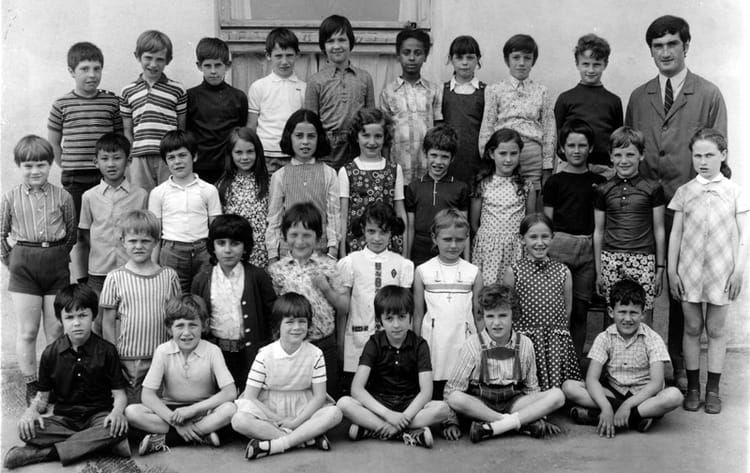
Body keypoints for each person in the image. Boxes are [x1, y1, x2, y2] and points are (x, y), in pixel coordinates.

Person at [625, 14, 728, 390]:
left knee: (684, 289)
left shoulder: (708, 94)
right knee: (643, 282)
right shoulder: (639, 96)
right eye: (658, 46)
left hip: (692, 209)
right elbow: (629, 151)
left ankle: (681, 365)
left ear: (686, 46)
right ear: (651, 51)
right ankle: (637, 363)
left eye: (672, 44)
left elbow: (719, 159)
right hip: (646, 208)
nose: (665, 52)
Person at [3, 284, 129, 470]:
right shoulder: (50, 353)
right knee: (28, 430)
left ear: (93, 315)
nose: (76, 323)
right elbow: (43, 396)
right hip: (65, 419)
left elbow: (119, 394)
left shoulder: (107, 351)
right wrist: (31, 411)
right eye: (69, 317)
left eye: (82, 315)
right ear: (60, 320)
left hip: (98, 417)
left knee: (116, 427)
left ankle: (44, 454)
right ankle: (102, 445)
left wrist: (117, 412)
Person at [667, 129, 748, 414]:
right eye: (698, 155)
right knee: (691, 327)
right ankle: (693, 387)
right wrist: (672, 271)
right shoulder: (684, 192)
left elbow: (745, 235)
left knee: (715, 329)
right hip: (689, 270)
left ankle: (713, 389)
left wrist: (738, 272)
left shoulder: (735, 192)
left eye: (710, 155)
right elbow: (676, 234)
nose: (703, 161)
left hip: (721, 270)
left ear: (723, 155)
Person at [1, 135, 76, 404]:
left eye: (41, 165)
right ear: (19, 166)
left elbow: (71, 235)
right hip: (24, 266)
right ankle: (32, 383)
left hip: (56, 264)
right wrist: (13, 261)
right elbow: (0, 236)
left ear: (50, 164)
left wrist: (56, 255)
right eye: (28, 165)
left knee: (55, 330)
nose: (35, 171)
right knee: (28, 331)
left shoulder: (63, 196)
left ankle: (53, 382)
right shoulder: (9, 198)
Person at [562, 279, 683, 437]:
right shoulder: (604, 338)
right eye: (622, 312)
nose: (627, 318)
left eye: (633, 313)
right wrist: (605, 406)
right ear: (611, 312)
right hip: (613, 392)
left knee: (674, 396)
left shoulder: (653, 339)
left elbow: (656, 383)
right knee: (569, 387)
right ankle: (637, 418)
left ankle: (601, 416)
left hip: (644, 396)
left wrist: (628, 405)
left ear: (643, 314)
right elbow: (592, 379)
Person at [444, 284, 564, 443]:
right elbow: (452, 390)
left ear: (513, 315)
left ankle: (492, 427)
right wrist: (452, 422)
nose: (496, 323)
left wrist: (540, 414)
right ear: (483, 316)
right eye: (490, 316)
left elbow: (531, 388)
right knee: (455, 398)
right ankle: (514, 423)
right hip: (481, 405)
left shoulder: (525, 344)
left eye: (502, 315)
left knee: (557, 395)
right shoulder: (472, 344)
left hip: (514, 402)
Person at [231, 293, 343, 460]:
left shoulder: (315, 354)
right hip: (269, 409)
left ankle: (278, 444)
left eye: (302, 321)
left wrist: (296, 422)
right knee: (239, 420)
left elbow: (319, 397)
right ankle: (306, 438)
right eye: (289, 322)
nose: (296, 327)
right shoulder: (265, 355)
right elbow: (250, 396)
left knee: (335, 413)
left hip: (303, 409)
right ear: (278, 325)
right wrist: (277, 419)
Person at [337, 286, 450, 448]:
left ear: (410, 316)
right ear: (379, 320)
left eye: (402, 317)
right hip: (380, 404)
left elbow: (426, 392)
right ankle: (408, 432)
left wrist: (404, 417)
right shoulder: (374, 343)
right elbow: (357, 389)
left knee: (443, 409)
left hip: (410, 405)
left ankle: (374, 429)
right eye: (389, 318)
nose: (396, 325)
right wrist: (388, 414)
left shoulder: (420, 345)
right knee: (344, 403)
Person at [126, 294, 237, 456]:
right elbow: (147, 395)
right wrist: (175, 422)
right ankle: (202, 435)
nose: (186, 332)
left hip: (203, 411)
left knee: (230, 409)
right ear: (169, 328)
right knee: (132, 412)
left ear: (204, 325)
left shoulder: (212, 351)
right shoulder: (163, 351)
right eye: (180, 326)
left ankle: (167, 440)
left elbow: (230, 392)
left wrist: (193, 410)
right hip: (171, 412)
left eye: (193, 325)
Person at [48, 42, 123, 280]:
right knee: (79, 232)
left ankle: (109, 278)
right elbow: (53, 144)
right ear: (72, 71)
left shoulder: (111, 103)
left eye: (97, 68)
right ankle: (82, 281)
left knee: (106, 230)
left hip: (106, 178)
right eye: (85, 69)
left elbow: (119, 139)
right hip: (75, 179)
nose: (92, 75)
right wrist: (68, 166)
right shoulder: (61, 104)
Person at [267, 203, 349, 398]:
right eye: (294, 235)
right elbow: (273, 312)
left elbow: (345, 307)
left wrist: (326, 289)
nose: (300, 241)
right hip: (290, 346)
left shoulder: (329, 267)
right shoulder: (277, 270)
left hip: (323, 344)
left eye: (307, 235)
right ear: (284, 236)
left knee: (328, 397)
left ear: (318, 237)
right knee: (295, 397)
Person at [100, 209, 181, 403]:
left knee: (159, 405)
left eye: (145, 241)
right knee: (133, 407)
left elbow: (176, 319)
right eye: (133, 241)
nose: (138, 246)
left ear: (156, 242)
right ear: (123, 242)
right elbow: (107, 323)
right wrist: (114, 358)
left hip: (161, 357)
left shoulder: (169, 276)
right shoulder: (115, 278)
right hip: (129, 360)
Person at [191, 214, 277, 392]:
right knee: (220, 399)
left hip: (250, 354)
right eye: (221, 243)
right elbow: (195, 318)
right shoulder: (202, 279)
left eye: (235, 243)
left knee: (248, 399)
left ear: (245, 247)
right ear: (212, 246)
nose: (228, 250)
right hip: (215, 354)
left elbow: (272, 316)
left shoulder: (257, 276)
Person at [542, 119, 606, 357]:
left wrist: (598, 267)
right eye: (571, 145)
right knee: (557, 310)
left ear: (591, 148)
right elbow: (547, 223)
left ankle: (575, 364)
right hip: (560, 247)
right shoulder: (555, 182)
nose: (576, 151)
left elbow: (600, 226)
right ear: (562, 148)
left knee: (580, 310)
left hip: (587, 249)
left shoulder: (599, 183)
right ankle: (553, 361)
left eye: (582, 145)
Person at [593, 127, 666, 323]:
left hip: (643, 258)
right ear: (611, 156)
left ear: (641, 155)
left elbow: (659, 229)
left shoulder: (653, 189)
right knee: (614, 316)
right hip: (611, 258)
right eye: (618, 155)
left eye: (630, 154)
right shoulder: (603, 190)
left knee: (643, 316)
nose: (623, 160)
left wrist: (659, 268)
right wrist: (599, 271)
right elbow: (598, 231)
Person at [78, 133, 148, 334]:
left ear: (129, 160)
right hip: (99, 271)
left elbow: (146, 232)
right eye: (105, 158)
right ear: (96, 162)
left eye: (117, 158)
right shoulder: (89, 197)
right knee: (99, 322)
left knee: (132, 320)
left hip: (132, 269)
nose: (111, 164)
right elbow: (85, 235)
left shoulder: (141, 195)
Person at [502, 213, 581, 390]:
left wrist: (559, 337)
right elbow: (507, 309)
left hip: (554, 341)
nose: (539, 242)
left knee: (559, 390)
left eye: (545, 236)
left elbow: (567, 310)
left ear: (552, 237)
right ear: (522, 239)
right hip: (526, 340)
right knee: (527, 388)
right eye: (533, 237)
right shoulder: (514, 271)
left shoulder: (563, 271)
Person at [337, 203, 414, 376]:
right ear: (363, 229)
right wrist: (340, 343)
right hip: (357, 340)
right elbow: (343, 310)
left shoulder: (402, 264)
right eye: (371, 231)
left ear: (391, 232)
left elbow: (406, 309)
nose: (377, 238)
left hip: (393, 343)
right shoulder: (350, 262)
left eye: (383, 232)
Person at [478, 34, 555, 205]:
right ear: (507, 60)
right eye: (516, 57)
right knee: (505, 201)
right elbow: (487, 126)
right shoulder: (495, 90)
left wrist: (547, 166)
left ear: (533, 61)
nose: (521, 63)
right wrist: (487, 159)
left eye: (527, 58)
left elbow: (550, 130)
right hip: (504, 154)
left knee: (532, 204)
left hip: (532, 156)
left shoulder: (542, 91)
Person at [414, 209, 482, 397]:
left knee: (462, 389)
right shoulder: (423, 271)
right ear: (434, 238)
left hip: (464, 341)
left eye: (459, 240)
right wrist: (415, 347)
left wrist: (484, 345)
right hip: (434, 343)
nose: (453, 245)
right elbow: (418, 314)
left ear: (467, 238)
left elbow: (479, 315)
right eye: (447, 239)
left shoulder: (473, 272)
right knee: (434, 392)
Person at [148, 130, 222, 292]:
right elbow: (155, 233)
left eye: (182, 155)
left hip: (203, 250)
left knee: (205, 294)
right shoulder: (158, 193)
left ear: (194, 156)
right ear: (165, 162)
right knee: (174, 297)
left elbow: (216, 228)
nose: (177, 162)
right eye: (171, 157)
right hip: (172, 252)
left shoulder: (209, 190)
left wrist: (217, 257)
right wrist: (152, 265)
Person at [265, 109, 340, 262]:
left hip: (320, 253)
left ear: (319, 138)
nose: (305, 142)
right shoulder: (280, 176)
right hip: (288, 254)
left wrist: (333, 250)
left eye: (311, 136)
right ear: (289, 137)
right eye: (299, 136)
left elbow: (334, 216)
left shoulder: (329, 174)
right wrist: (273, 255)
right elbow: (274, 219)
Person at [305, 14, 375, 170]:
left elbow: (371, 119)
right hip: (327, 152)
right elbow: (310, 123)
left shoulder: (364, 77)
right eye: (330, 41)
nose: (336, 46)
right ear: (323, 46)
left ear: (351, 42)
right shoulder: (315, 81)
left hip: (358, 147)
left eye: (342, 40)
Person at [120, 30, 187, 192]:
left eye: (160, 59)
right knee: (142, 198)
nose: (153, 64)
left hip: (168, 156)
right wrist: (131, 156)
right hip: (139, 158)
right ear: (138, 56)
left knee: (171, 197)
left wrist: (176, 153)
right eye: (148, 58)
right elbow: (127, 130)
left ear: (168, 60)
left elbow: (181, 127)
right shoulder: (127, 91)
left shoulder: (177, 89)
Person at [553, 34, 622, 179]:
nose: (591, 70)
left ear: (605, 64)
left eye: (596, 64)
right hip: (570, 167)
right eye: (585, 64)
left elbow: (617, 138)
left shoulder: (614, 101)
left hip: (604, 169)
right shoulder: (565, 99)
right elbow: (557, 136)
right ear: (577, 64)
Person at [471, 128, 534, 285]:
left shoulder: (526, 186)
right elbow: (474, 222)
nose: (508, 159)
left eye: (513, 154)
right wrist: (489, 239)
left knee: (513, 290)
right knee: (489, 291)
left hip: (516, 248)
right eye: (502, 153)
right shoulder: (483, 184)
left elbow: (530, 223)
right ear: (492, 154)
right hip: (488, 250)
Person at [339, 108, 406, 256]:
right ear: (357, 137)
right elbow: (343, 216)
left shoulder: (394, 169)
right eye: (366, 136)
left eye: (378, 136)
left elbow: (400, 212)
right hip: (357, 246)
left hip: (388, 245)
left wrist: (405, 253)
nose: (372, 142)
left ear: (385, 137)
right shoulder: (347, 171)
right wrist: (342, 254)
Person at [380, 27, 442, 184]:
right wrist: (386, 168)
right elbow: (385, 135)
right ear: (398, 56)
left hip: (428, 168)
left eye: (418, 53)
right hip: (398, 168)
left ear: (425, 56)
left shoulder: (433, 90)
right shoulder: (388, 92)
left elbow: (438, 128)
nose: (412, 58)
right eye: (406, 53)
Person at [405, 125, 470, 267]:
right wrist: (407, 259)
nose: (438, 162)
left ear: (452, 158)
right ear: (425, 154)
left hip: (449, 248)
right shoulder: (414, 187)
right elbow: (410, 227)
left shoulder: (460, 188)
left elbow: (465, 228)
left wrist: (466, 262)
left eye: (444, 157)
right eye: (434, 155)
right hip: (419, 250)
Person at [186, 37, 249, 184]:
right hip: (199, 167)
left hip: (229, 166)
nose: (213, 71)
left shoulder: (238, 97)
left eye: (218, 65)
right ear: (199, 66)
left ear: (228, 65)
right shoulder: (190, 97)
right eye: (208, 66)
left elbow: (241, 131)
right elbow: (186, 131)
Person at [247, 27, 306, 174]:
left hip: (294, 155)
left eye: (289, 55)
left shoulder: (304, 88)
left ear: (297, 55)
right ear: (268, 55)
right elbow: (252, 126)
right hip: (265, 155)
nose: (284, 61)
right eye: (278, 56)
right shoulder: (258, 87)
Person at [215, 127, 270, 267]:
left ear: (257, 152)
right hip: (233, 256)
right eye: (239, 152)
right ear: (230, 154)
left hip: (262, 256)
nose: (245, 157)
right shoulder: (222, 186)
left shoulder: (268, 183)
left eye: (250, 151)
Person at [441, 35, 485, 185]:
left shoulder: (486, 92)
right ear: (451, 59)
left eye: (470, 57)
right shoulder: (442, 91)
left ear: (478, 59)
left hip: (476, 159)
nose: (465, 63)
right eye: (459, 57)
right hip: (449, 158)